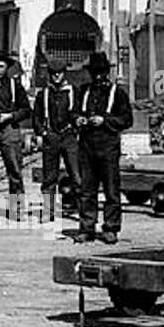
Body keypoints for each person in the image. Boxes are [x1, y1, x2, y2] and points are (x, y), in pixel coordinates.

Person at [74, 50, 134, 244]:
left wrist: (104, 120)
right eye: (94, 72)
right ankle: (86, 227)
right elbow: (73, 112)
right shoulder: (84, 91)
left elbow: (126, 119)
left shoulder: (118, 93)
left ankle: (110, 228)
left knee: (111, 190)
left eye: (101, 72)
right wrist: (79, 119)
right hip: (86, 146)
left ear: (107, 73)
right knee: (87, 190)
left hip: (108, 146)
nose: (98, 76)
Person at [31, 59, 80, 223]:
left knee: (76, 175)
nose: (56, 76)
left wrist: (76, 130)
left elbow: (79, 112)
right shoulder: (43, 94)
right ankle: (48, 211)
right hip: (51, 137)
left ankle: (82, 209)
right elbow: (36, 117)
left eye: (59, 73)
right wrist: (42, 132)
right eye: (53, 73)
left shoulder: (73, 91)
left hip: (69, 137)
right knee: (49, 177)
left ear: (64, 73)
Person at [0, 50, 31, 219]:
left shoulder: (15, 86)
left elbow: (26, 110)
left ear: (7, 68)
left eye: (1, 66)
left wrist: (11, 116)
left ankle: (17, 209)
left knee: (14, 171)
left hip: (10, 131)